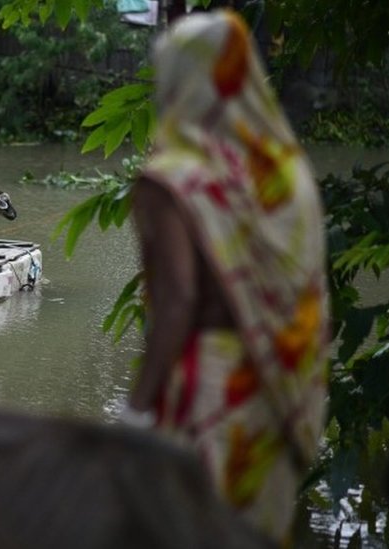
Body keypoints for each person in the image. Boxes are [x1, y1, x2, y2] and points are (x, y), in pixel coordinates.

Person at [122, 10, 329, 542]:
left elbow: (175, 303)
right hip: (276, 401)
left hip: (209, 398)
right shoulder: (285, 173)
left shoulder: (172, 180)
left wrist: (135, 413)